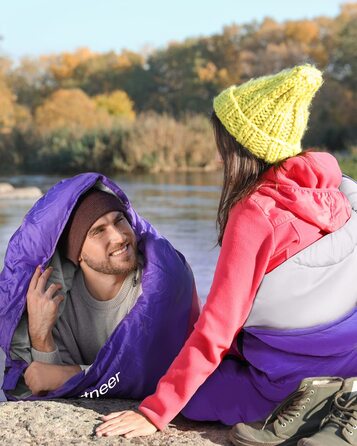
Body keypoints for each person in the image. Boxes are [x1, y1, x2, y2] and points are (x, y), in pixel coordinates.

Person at [95, 64, 357, 441]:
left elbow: (217, 327)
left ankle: (312, 405)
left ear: (245, 149)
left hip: (287, 379)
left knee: (184, 394)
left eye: (225, 147)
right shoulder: (334, 193)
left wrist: (155, 412)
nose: (220, 159)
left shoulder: (255, 213)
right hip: (346, 356)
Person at [0, 174, 199, 401]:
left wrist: (71, 374)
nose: (118, 236)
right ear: (78, 254)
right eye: (98, 231)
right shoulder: (57, 303)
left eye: (119, 220)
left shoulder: (160, 285)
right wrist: (40, 335)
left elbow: (154, 371)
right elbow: (47, 387)